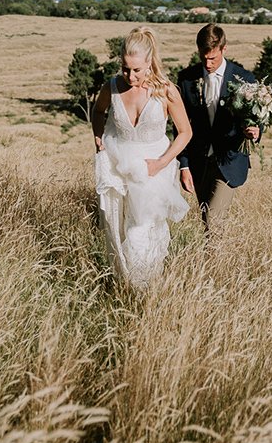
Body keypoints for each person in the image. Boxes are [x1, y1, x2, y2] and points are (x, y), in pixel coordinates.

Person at [92, 27, 192, 289]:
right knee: (117, 229)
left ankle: (144, 288)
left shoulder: (166, 91)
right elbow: (98, 112)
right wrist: (98, 136)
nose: (130, 75)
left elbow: (185, 132)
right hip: (117, 168)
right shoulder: (111, 87)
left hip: (152, 173)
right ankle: (124, 286)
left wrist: (161, 163)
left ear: (150, 63)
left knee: (140, 232)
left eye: (137, 69)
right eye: (125, 68)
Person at [176, 23, 261, 234]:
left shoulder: (244, 79)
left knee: (213, 221)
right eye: (203, 58)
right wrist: (184, 165)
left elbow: (255, 118)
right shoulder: (186, 79)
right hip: (198, 161)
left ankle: (212, 264)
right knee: (206, 220)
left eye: (212, 58)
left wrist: (255, 131)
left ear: (224, 49)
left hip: (229, 160)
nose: (208, 63)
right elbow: (180, 124)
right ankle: (215, 264)